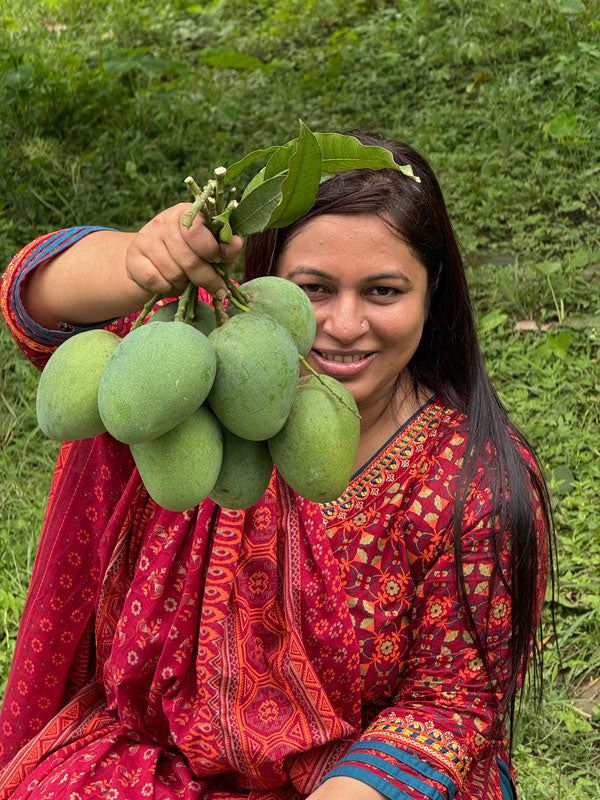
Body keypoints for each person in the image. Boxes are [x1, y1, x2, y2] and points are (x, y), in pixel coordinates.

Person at [0, 135, 552, 800]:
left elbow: (447, 708)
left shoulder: (469, 478)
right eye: (313, 288)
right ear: (262, 285)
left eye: (383, 291)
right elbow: (34, 305)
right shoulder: (190, 378)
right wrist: (138, 260)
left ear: (431, 293)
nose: (345, 324)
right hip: (157, 771)